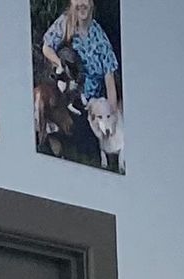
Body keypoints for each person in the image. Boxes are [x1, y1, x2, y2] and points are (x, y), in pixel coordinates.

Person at [42, 0, 123, 167]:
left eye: (85, 0)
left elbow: (109, 80)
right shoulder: (65, 24)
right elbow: (47, 48)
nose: (81, 4)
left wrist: (112, 113)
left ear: (91, 4)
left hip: (94, 105)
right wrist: (61, 65)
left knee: (96, 145)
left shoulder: (99, 37)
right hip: (70, 97)